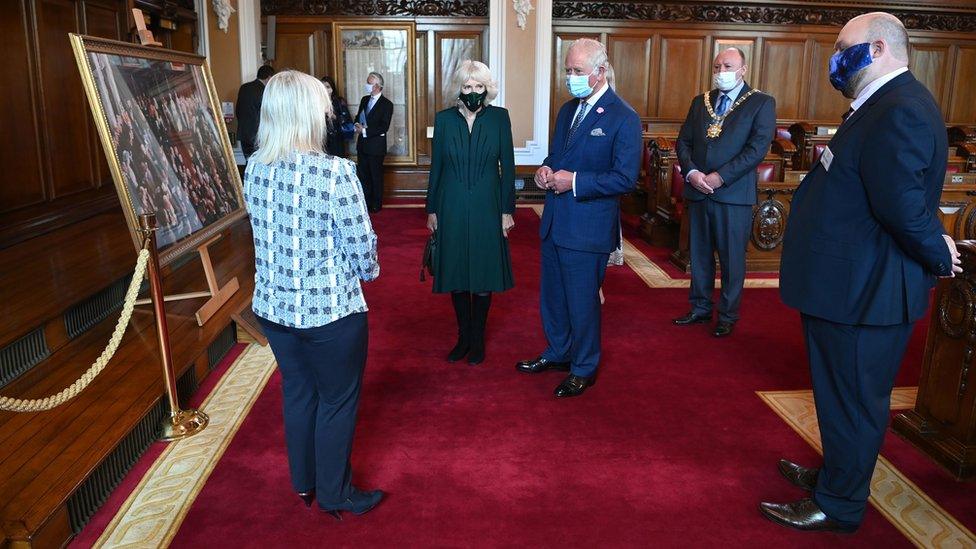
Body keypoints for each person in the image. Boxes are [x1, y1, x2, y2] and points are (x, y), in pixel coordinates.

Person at [761, 12, 962, 533]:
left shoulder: (901, 108)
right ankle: (836, 477)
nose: (835, 57)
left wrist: (940, 256)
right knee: (838, 397)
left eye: (842, 47)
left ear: (875, 49)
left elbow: (901, 205)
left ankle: (840, 505)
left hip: (866, 292)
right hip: (846, 286)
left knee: (853, 403)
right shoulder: (876, 105)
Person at [242, 70, 384, 519]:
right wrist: (369, 270)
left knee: (299, 393)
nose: (327, 112)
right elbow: (363, 250)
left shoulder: (255, 170)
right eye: (321, 106)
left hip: (274, 309)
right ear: (308, 113)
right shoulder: (336, 173)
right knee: (337, 400)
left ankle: (304, 483)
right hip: (331, 313)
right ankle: (335, 493)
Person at [516, 38, 641, 398]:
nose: (570, 77)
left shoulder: (623, 117)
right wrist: (546, 169)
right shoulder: (568, 110)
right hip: (555, 220)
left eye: (577, 71)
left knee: (582, 301)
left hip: (588, 228)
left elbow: (625, 178)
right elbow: (558, 154)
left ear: (600, 72)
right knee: (553, 297)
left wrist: (576, 182)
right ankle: (557, 352)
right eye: (568, 70)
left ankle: (583, 367)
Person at [671, 48, 776, 338]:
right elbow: (683, 143)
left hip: (732, 195)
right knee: (700, 255)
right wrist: (692, 173)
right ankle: (700, 308)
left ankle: (728, 314)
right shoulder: (700, 102)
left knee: (731, 259)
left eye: (728, 66)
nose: (721, 72)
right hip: (698, 190)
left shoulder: (760, 103)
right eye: (717, 66)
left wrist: (720, 177)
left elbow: (756, 150)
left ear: (743, 69)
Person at [425, 60, 516, 366]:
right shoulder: (444, 120)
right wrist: (432, 209)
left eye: (479, 87)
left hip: (487, 206)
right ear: (459, 89)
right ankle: (463, 337)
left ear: (487, 89)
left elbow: (509, 168)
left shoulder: (500, 118)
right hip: (450, 204)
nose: (473, 92)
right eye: (467, 86)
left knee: (482, 272)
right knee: (457, 273)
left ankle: (478, 339)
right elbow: (436, 168)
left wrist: (506, 210)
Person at [354, 72, 394, 213]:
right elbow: (358, 116)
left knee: (375, 176)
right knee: (363, 175)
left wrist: (365, 131)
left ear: (377, 86)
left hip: (376, 147)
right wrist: (356, 125)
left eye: (369, 82)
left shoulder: (387, 104)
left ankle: (376, 204)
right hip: (362, 146)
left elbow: (384, 126)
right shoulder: (364, 99)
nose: (367, 85)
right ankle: (366, 202)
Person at [235, 64, 275, 160]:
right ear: (269, 78)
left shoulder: (244, 87)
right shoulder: (266, 92)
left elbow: (238, 110)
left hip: (243, 133)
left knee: (248, 162)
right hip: (258, 135)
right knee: (259, 162)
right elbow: (268, 114)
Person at [321, 75, 353, 156]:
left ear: (332, 88)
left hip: (336, 139)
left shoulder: (339, 102)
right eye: (323, 87)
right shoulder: (316, 102)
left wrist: (333, 116)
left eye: (327, 87)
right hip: (321, 139)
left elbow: (347, 119)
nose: (325, 90)